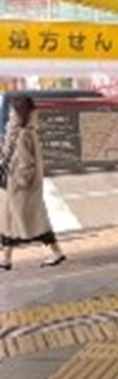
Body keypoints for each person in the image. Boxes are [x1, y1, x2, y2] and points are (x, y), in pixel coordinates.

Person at [0, 95, 66, 270]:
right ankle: (6, 259)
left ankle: (57, 252)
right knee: (12, 221)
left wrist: (18, 182)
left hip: (20, 188)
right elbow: (11, 156)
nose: (10, 114)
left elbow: (26, 164)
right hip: (15, 187)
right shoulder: (21, 132)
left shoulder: (23, 134)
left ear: (19, 113)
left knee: (32, 222)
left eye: (12, 111)